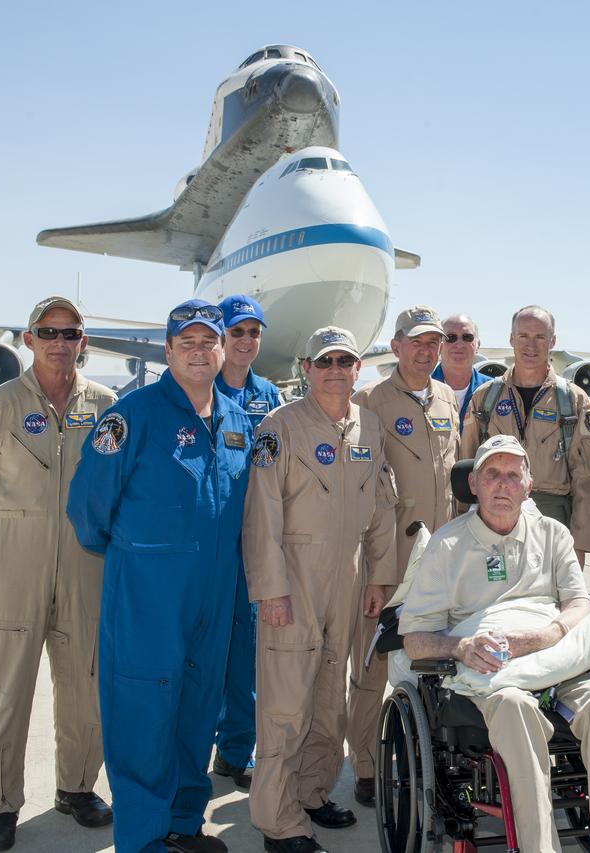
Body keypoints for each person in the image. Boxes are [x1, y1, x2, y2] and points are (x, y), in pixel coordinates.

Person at [400, 435, 590, 853]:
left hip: (555, 657)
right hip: (491, 673)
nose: (503, 485)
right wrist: (461, 648)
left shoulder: (553, 534)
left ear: (529, 485)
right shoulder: (447, 545)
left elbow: (578, 602)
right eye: (492, 475)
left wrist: (548, 634)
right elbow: (414, 641)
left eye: (513, 476)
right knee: (516, 708)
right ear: (475, 484)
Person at [67, 298, 253, 853]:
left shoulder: (237, 419)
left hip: (215, 593)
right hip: (148, 593)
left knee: (197, 707)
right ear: (168, 350)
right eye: (187, 343)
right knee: (143, 711)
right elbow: (87, 511)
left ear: (224, 350)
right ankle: (143, 838)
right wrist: (143, 559)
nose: (199, 353)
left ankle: (182, 821)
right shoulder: (134, 416)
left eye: (209, 342)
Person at [0, 296, 116, 852]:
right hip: (15, 569)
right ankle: (0, 804)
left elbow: (115, 486)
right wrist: (19, 532)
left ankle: (77, 788)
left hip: (84, 567)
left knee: (85, 687)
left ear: (83, 341)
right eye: (47, 332)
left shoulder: (106, 407)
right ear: (28, 340)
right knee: (6, 690)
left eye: (69, 332)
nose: (59, 342)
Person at [242, 326, 398, 853]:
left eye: (345, 360)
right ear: (306, 368)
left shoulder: (369, 426)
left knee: (331, 695)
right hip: (295, 576)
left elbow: (382, 506)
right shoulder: (279, 427)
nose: (335, 369)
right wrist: (271, 590)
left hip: (350, 577)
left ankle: (310, 792)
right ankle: (277, 819)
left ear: (358, 369)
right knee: (287, 702)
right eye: (325, 360)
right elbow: (260, 514)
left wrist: (379, 576)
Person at [346, 306, 459, 806]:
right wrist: (377, 562)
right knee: (374, 661)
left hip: (440, 558)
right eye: (417, 342)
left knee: (436, 661)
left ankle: (427, 756)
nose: (427, 350)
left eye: (434, 342)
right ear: (395, 347)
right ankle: (368, 765)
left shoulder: (446, 399)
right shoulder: (369, 400)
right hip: (389, 555)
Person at [460, 305, 590, 563]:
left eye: (540, 337)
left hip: (553, 520)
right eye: (523, 336)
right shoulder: (485, 398)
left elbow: (588, 477)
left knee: (547, 600)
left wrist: (580, 543)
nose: (531, 345)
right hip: (493, 519)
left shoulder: (572, 401)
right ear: (511, 339)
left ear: (553, 341)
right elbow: (467, 464)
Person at [211, 294, 283, 789]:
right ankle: (197, 748)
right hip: (208, 541)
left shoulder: (270, 396)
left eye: (254, 332)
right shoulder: (195, 388)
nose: (246, 341)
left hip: (253, 543)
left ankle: (235, 751)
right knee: (203, 648)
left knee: (247, 653)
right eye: (237, 331)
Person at [431, 312, 490, 431]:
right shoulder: (420, 389)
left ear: (478, 344)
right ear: (439, 345)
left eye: (467, 337)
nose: (459, 344)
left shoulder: (494, 391)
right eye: (450, 338)